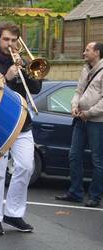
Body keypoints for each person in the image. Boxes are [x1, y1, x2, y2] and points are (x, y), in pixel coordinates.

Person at [0, 22, 42, 235]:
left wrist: (24, 69)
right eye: (6, 39)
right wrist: (6, 77)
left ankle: (14, 213)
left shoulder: (22, 61)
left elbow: (35, 88)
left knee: (26, 166)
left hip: (22, 122)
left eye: (14, 40)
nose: (10, 44)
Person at [55, 42, 103, 208]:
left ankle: (95, 196)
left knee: (97, 160)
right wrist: (74, 106)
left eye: (87, 50)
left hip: (97, 122)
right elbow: (78, 91)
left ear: (97, 52)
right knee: (74, 155)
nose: (84, 53)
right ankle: (75, 192)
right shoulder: (85, 69)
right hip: (80, 119)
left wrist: (88, 113)